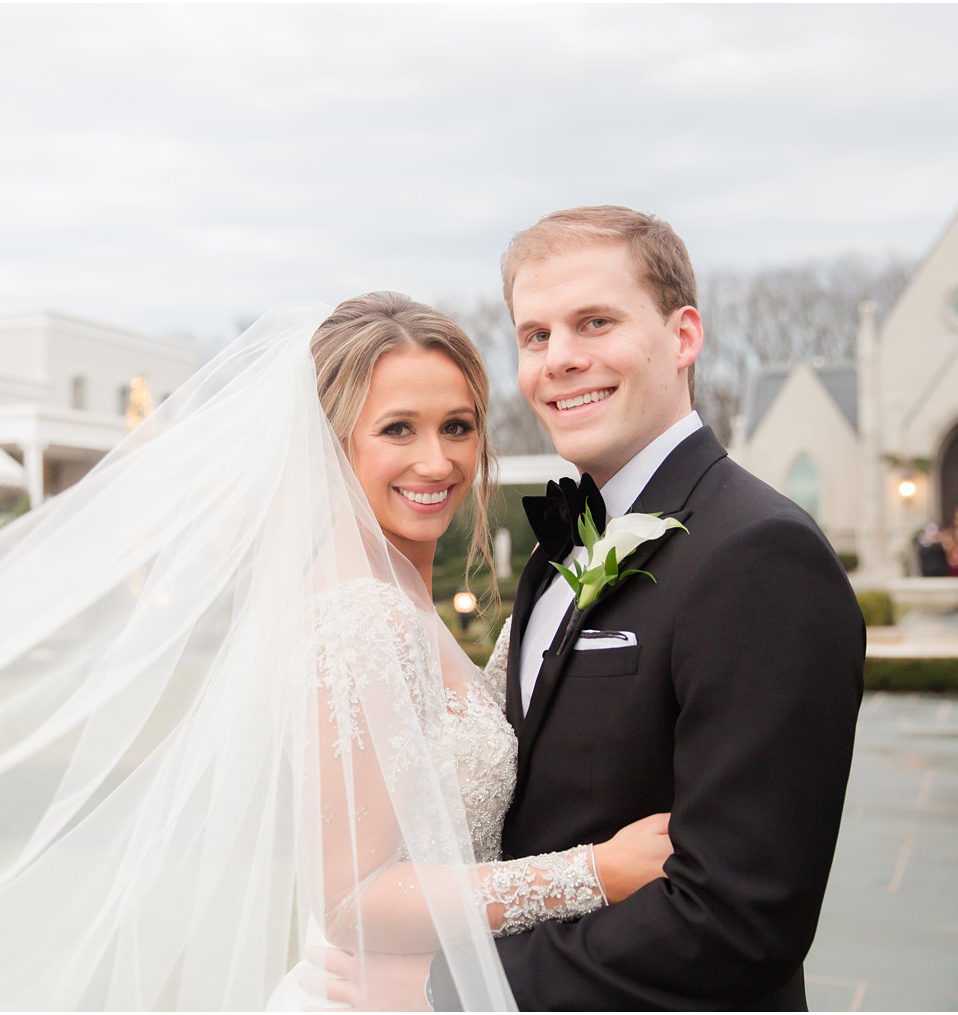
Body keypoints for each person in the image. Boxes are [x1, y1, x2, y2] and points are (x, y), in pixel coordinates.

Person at [0, 294, 668, 1010]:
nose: (436, 460)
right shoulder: (355, 615)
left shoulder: (399, 600)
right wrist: (597, 872)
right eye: (397, 428)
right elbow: (353, 899)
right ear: (330, 440)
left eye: (458, 424)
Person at [331, 206, 865, 1010]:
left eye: (594, 322)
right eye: (537, 335)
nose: (561, 359)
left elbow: (738, 921)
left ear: (684, 336)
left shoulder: (760, 555)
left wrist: (452, 986)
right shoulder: (560, 548)